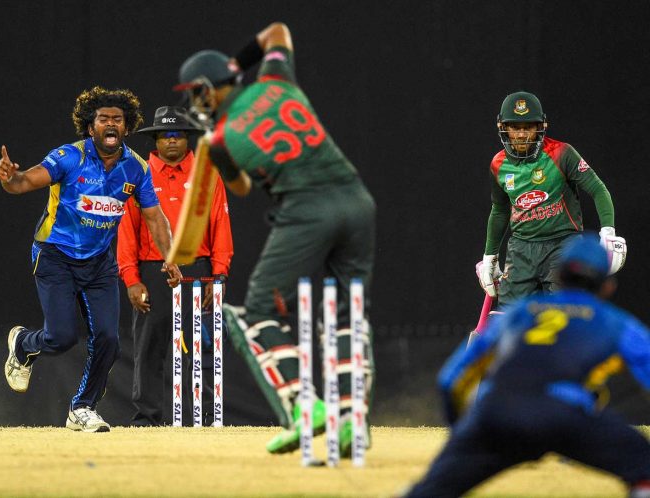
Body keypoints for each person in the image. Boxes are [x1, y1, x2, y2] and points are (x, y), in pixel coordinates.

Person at [174, 22, 376, 455]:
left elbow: (242, 187)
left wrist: (220, 154)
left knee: (257, 310)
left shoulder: (220, 141)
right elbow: (278, 32)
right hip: (358, 201)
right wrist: (238, 61)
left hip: (307, 211)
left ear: (207, 89)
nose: (194, 103)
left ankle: (304, 407)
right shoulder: (277, 80)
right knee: (348, 313)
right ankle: (351, 421)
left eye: (195, 94)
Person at [403, 235, 650, 498]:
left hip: (497, 414)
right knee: (644, 468)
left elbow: (450, 380)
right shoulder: (616, 323)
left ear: (559, 275)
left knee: (428, 492)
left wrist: (466, 431)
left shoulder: (517, 313)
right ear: (608, 287)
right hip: (564, 417)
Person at [0, 86, 182, 433]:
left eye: (118, 119)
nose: (111, 124)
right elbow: (24, 183)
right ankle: (22, 344)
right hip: (55, 256)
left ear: (127, 126)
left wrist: (169, 258)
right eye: (103, 119)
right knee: (61, 337)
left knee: (109, 340)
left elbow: (155, 218)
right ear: (89, 126)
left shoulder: (136, 168)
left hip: (99, 263)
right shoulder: (70, 157)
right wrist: (10, 178)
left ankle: (82, 407)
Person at [117, 106, 233, 427]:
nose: (171, 141)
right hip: (153, 272)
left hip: (198, 271)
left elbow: (220, 227)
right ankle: (147, 419)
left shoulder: (207, 175)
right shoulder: (139, 174)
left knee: (201, 348)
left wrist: (218, 276)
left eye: (178, 135)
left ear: (187, 139)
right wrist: (131, 279)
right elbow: (126, 232)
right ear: (155, 139)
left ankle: (205, 416)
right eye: (165, 135)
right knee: (149, 349)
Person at [477, 91, 626, 306]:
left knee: (563, 313)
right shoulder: (498, 164)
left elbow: (597, 189)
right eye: (515, 128)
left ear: (541, 126)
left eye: (528, 127)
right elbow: (499, 210)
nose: (521, 135)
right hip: (521, 249)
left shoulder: (562, 153)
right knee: (509, 317)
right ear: (503, 128)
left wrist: (608, 232)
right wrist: (489, 257)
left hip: (563, 245)